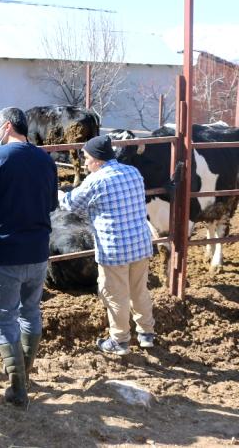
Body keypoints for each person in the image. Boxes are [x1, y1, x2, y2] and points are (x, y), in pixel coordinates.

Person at [0, 107, 58, 406]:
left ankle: (17, 386)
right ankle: (26, 375)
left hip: (3, 251)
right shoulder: (46, 159)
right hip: (38, 250)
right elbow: (53, 203)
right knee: (31, 312)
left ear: (6, 127)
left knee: (5, 316)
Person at [58, 134, 155, 356]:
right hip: (140, 243)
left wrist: (60, 194)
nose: (84, 163)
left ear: (98, 160)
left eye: (86, 158)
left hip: (114, 248)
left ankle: (119, 341)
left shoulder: (96, 179)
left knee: (115, 294)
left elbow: (72, 205)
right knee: (140, 290)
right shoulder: (133, 172)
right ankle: (146, 333)